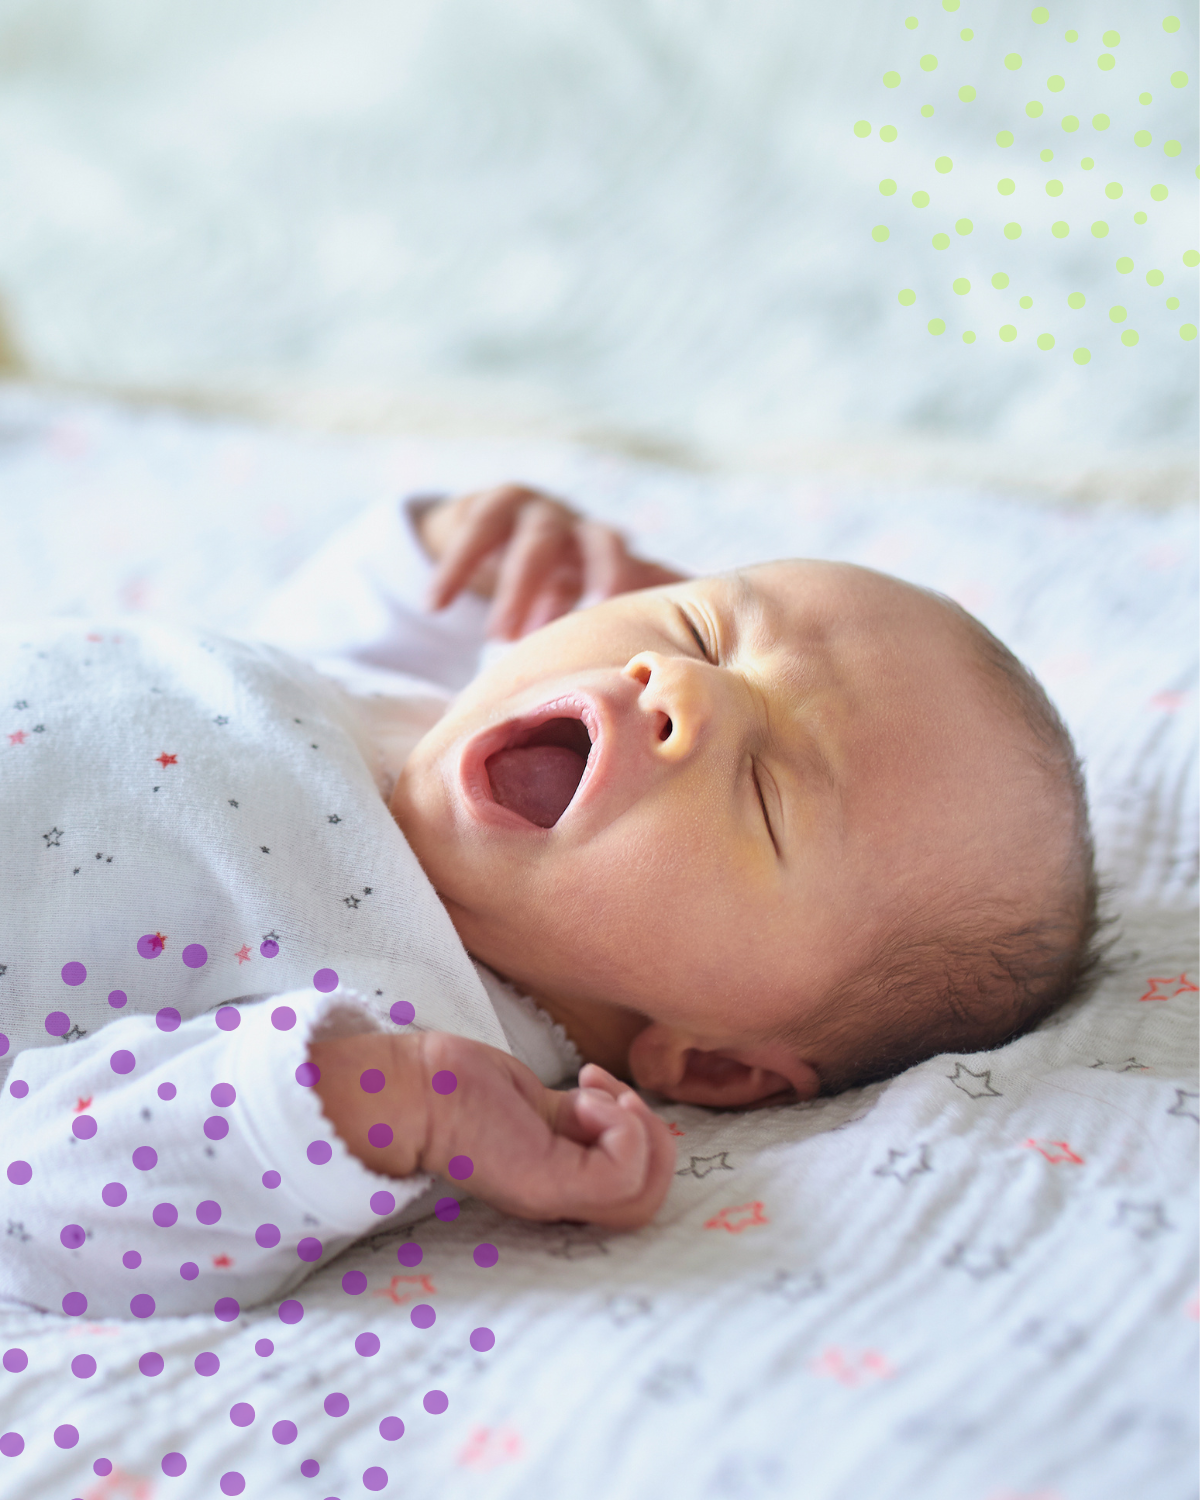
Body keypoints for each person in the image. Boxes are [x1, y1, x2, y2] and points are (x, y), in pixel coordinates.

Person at [0, 484, 1101, 1318]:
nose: (686, 689)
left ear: (714, 1064)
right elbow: (298, 644)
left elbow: (49, 1198)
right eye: (703, 630)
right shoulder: (408, 712)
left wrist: (374, 1103)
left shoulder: (418, 1026)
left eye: (767, 792)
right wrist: (453, 549)